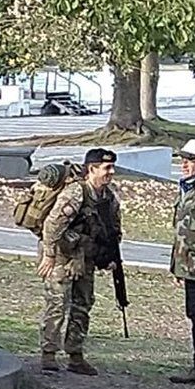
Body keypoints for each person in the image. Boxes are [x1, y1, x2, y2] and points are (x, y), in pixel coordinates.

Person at [38, 148, 121, 375]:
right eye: (106, 168)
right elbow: (52, 225)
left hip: (86, 258)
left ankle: (75, 355)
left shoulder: (108, 197)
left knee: (83, 304)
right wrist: (49, 255)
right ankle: (49, 354)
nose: (110, 172)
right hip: (62, 256)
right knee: (57, 304)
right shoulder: (76, 193)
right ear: (91, 169)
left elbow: (112, 231)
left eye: (112, 167)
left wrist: (109, 259)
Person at [169, 140, 195, 384]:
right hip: (192, 268)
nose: (185, 165)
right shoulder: (188, 189)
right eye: (183, 160)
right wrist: (179, 266)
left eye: (191, 160)